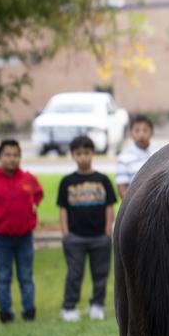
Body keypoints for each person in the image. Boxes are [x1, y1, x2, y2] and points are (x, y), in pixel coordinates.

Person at [0, 139, 43, 323]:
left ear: (20, 157)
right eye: (7, 155)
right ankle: (5, 312)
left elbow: (38, 193)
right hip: (1, 237)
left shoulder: (28, 178)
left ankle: (29, 310)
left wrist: (34, 205)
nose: (12, 159)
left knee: (25, 275)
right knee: (4, 275)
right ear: (0, 157)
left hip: (24, 236)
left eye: (15, 155)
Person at [57, 135, 117, 321]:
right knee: (74, 274)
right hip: (75, 237)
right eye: (78, 153)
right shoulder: (67, 182)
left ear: (93, 153)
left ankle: (97, 306)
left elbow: (109, 206)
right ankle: (69, 307)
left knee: (100, 274)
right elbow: (63, 208)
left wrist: (108, 229)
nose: (83, 157)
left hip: (100, 237)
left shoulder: (102, 180)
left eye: (86, 153)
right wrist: (65, 233)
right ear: (73, 155)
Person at [115, 114, 156, 198]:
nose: (141, 134)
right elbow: (122, 190)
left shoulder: (159, 154)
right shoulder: (124, 158)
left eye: (145, 130)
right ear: (131, 133)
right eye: (137, 130)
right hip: (136, 206)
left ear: (152, 132)